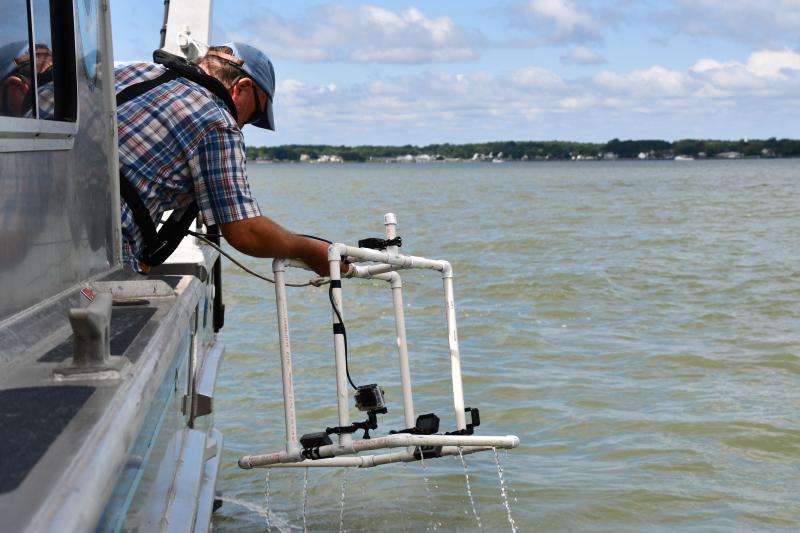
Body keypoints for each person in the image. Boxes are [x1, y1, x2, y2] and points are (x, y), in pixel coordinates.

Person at [115, 42, 334, 276]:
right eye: (253, 116)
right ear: (242, 88)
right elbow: (245, 232)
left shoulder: (134, 70)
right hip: (105, 247)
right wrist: (308, 250)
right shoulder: (217, 123)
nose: (241, 126)